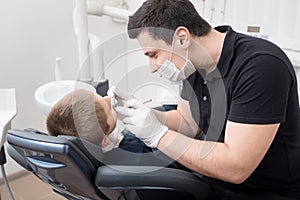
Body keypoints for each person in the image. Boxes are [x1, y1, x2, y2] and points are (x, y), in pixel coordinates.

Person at [109, 0, 300, 199]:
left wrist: (158, 136)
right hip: (214, 183)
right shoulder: (193, 66)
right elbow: (188, 123)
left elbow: (236, 167)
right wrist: (138, 113)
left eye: (153, 54)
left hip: (265, 193)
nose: (152, 67)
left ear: (182, 38)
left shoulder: (260, 66)